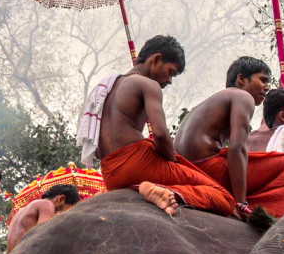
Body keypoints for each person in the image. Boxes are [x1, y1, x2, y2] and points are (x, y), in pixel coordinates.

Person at [78, 34, 236, 217]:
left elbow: (96, 150)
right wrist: (173, 161)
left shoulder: (106, 88)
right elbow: (160, 135)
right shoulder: (148, 85)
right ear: (156, 59)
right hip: (138, 164)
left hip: (110, 173)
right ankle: (165, 191)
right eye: (170, 72)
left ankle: (145, 189)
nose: (169, 81)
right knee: (224, 198)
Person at [175, 57, 284, 217]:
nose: (266, 87)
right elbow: (237, 149)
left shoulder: (208, 103)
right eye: (263, 80)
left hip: (184, 169)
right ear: (241, 79)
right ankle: (264, 213)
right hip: (207, 167)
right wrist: (240, 203)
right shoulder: (243, 97)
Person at [6, 184, 80, 254]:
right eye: (63, 210)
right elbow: (44, 235)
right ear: (60, 199)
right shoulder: (47, 204)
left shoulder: (20, 211)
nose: (62, 213)